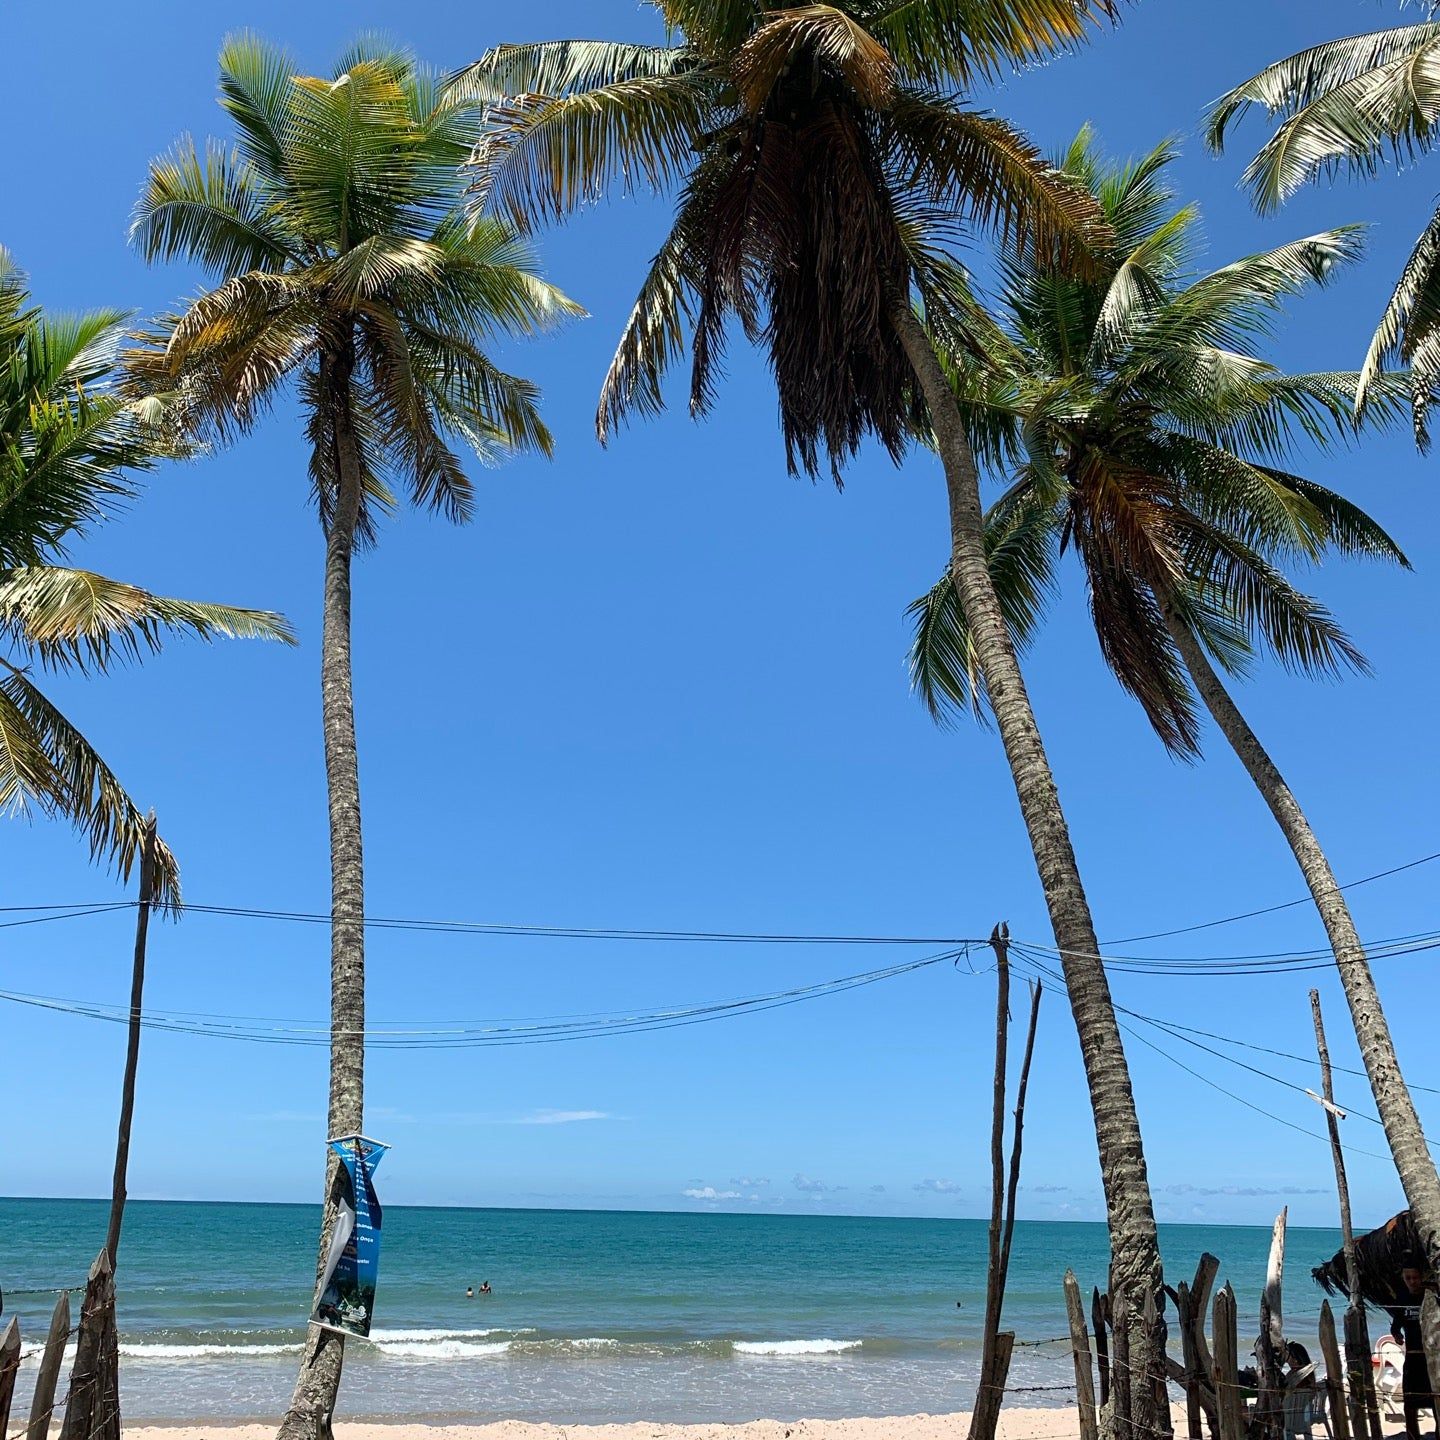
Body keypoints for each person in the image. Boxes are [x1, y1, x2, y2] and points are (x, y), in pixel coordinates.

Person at [1388, 1257, 1436, 1440]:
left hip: (1431, 1356)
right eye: (1408, 1278)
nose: (1412, 1282)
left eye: (1415, 1277)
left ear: (1421, 1277)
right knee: (1409, 1400)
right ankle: (1412, 1436)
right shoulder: (1402, 1298)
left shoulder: (1430, 1296)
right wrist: (1396, 1334)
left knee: (1435, 1397)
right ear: (1403, 1278)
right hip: (1412, 1355)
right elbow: (1396, 1324)